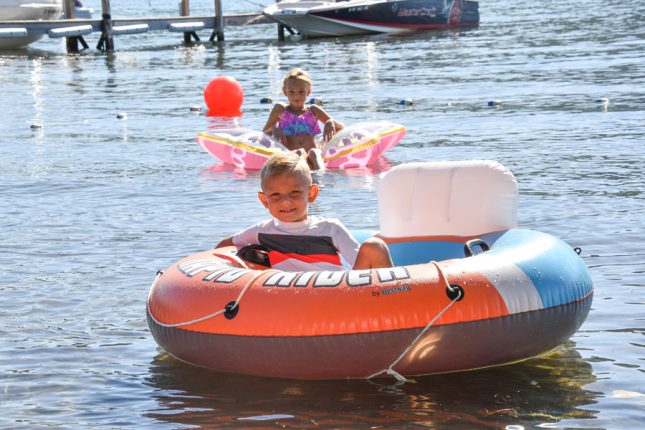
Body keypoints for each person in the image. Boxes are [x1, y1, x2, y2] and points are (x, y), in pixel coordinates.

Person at [216, 152, 393, 272]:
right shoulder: (261, 232)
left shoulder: (330, 229)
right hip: (297, 304)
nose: (286, 201)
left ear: (311, 193)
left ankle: (397, 303)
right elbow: (225, 245)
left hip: (340, 295)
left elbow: (361, 270)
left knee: (374, 247)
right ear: (264, 200)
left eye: (295, 193)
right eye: (276, 195)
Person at [262, 68, 344, 171]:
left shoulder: (313, 110)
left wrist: (329, 122)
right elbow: (263, 134)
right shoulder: (280, 109)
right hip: (291, 157)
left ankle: (321, 178)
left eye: (301, 92)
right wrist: (274, 128)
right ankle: (301, 174)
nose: (296, 96)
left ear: (309, 91)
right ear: (284, 91)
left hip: (313, 156)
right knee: (300, 152)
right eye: (291, 92)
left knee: (314, 152)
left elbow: (341, 128)